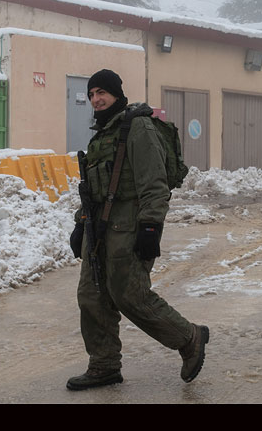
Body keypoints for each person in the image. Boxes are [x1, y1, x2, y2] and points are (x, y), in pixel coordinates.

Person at [66, 69, 209, 390]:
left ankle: (189, 337)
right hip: (98, 227)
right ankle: (103, 365)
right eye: (91, 95)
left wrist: (150, 228)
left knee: (129, 295)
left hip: (128, 225)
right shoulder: (103, 133)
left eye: (102, 92)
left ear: (117, 93)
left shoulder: (137, 127)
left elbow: (154, 183)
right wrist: (80, 225)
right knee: (92, 296)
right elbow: (94, 189)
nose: (96, 99)